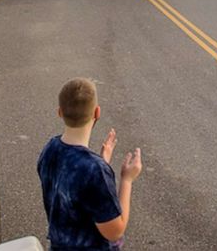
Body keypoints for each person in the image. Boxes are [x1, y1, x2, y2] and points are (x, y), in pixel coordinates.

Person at [37, 78, 142, 251]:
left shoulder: (50, 149)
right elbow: (115, 231)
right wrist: (127, 180)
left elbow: (74, 187)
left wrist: (101, 161)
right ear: (97, 112)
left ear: (60, 112)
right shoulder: (94, 171)